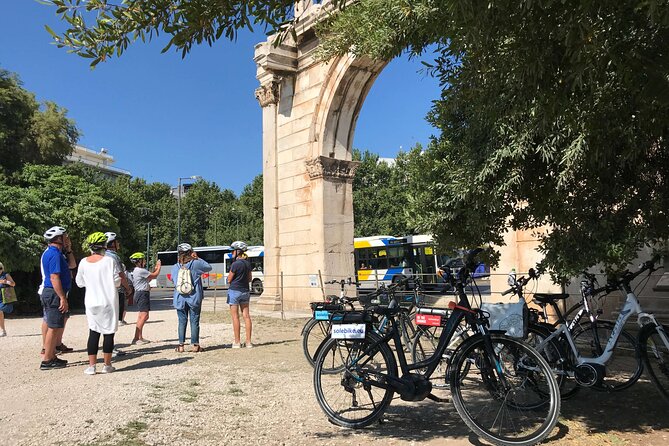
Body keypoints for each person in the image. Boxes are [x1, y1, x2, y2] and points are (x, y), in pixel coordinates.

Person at [76, 232, 121, 375]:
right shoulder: (109, 261)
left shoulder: (83, 262)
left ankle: (92, 366)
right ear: (104, 246)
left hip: (91, 301)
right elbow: (117, 281)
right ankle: (107, 365)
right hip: (108, 301)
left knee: (93, 332)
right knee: (108, 333)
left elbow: (79, 283)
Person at [38, 226, 76, 370]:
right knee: (53, 327)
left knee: (55, 325)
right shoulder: (53, 254)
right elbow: (54, 277)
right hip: (53, 293)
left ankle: (52, 355)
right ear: (59, 238)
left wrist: (69, 248)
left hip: (53, 293)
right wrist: (62, 297)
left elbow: (72, 265)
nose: (67, 238)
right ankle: (47, 360)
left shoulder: (57, 253)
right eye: (65, 236)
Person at [172, 243, 211, 353]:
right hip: (194, 298)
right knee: (194, 321)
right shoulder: (196, 264)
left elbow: (174, 282)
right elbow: (208, 267)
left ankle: (180, 346)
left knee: (181, 321)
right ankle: (195, 345)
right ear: (191, 253)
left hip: (180, 298)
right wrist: (197, 257)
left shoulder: (175, 267)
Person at [128, 252, 161, 345]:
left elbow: (148, 279)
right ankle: (136, 338)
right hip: (142, 294)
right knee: (144, 316)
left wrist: (154, 270)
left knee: (141, 316)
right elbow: (154, 276)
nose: (145, 261)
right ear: (139, 261)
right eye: (143, 260)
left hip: (140, 293)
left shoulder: (137, 270)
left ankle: (139, 337)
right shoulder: (140, 270)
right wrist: (158, 267)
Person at [227, 241, 253, 349]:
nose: (232, 253)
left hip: (234, 291)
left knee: (235, 317)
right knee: (246, 316)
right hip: (245, 291)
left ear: (238, 251)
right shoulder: (247, 263)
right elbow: (250, 278)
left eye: (233, 250)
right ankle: (248, 342)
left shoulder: (235, 264)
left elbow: (229, 279)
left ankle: (237, 342)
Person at [104, 232, 133, 325]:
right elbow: (121, 274)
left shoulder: (102, 255)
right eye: (117, 242)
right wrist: (128, 288)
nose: (118, 244)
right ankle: (119, 320)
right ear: (112, 243)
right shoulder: (114, 256)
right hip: (115, 287)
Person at [0, 261, 16, 337]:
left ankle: (3, 331)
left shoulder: (5, 275)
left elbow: (13, 284)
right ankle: (3, 331)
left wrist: (6, 282)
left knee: (0, 312)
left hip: (4, 297)